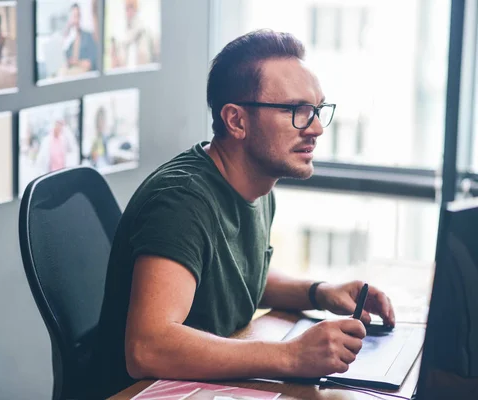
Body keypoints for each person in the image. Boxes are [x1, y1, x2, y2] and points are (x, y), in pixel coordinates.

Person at [88, 30, 396, 399]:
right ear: (236, 121)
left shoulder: (256, 183)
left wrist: (319, 293)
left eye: (317, 110)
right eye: (296, 111)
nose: (314, 128)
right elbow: (148, 348)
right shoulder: (181, 201)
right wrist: (290, 356)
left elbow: (236, 276)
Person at [110, 0, 159, 68]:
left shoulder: (148, 33)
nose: (129, 11)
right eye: (127, 8)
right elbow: (114, 66)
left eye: (131, 7)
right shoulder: (119, 37)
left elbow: (156, 60)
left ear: (137, 8)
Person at [63, 3, 98, 72]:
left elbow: (91, 64)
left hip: (84, 74)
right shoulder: (70, 43)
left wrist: (76, 62)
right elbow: (64, 61)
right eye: (74, 16)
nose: (76, 20)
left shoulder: (88, 37)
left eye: (78, 16)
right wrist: (67, 31)